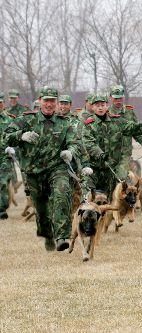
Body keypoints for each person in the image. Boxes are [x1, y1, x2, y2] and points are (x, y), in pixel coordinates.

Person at [5, 87, 83, 251]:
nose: (49, 104)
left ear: (56, 103)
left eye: (52, 101)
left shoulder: (65, 122)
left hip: (57, 169)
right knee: (41, 209)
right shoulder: (26, 120)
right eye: (46, 100)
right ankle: (48, 235)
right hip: (33, 172)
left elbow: (75, 143)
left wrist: (70, 152)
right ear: (40, 101)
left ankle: (62, 236)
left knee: (62, 194)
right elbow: (7, 136)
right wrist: (21, 135)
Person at [82, 93, 142, 199]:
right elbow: (89, 143)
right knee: (91, 196)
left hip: (112, 167)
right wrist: (99, 153)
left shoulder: (117, 121)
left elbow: (132, 127)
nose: (100, 108)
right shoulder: (89, 125)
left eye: (103, 105)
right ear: (93, 107)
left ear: (106, 106)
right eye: (97, 105)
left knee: (113, 196)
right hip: (95, 167)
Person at [108, 85, 142, 179]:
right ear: (110, 98)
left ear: (123, 97)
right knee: (110, 180)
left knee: (122, 177)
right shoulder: (106, 113)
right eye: (115, 99)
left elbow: (135, 129)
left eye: (120, 98)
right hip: (110, 153)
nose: (118, 101)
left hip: (125, 152)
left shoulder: (129, 112)